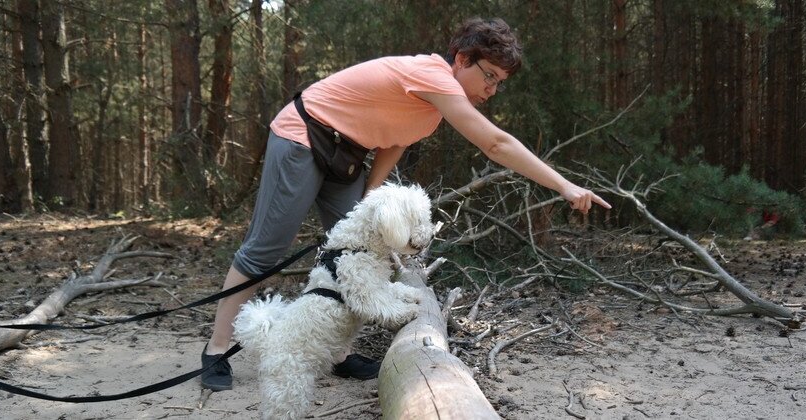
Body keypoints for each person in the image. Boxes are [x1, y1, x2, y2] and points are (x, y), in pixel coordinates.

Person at [200, 17, 612, 391]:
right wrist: (564, 186)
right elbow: (495, 143)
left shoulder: (432, 111)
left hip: (347, 155)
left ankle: (339, 354)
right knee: (267, 247)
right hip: (303, 135)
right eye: (488, 75)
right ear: (463, 59)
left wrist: (369, 198)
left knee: (357, 250)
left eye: (500, 82)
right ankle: (217, 349)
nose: (492, 88)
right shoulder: (431, 75)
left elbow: (394, 142)